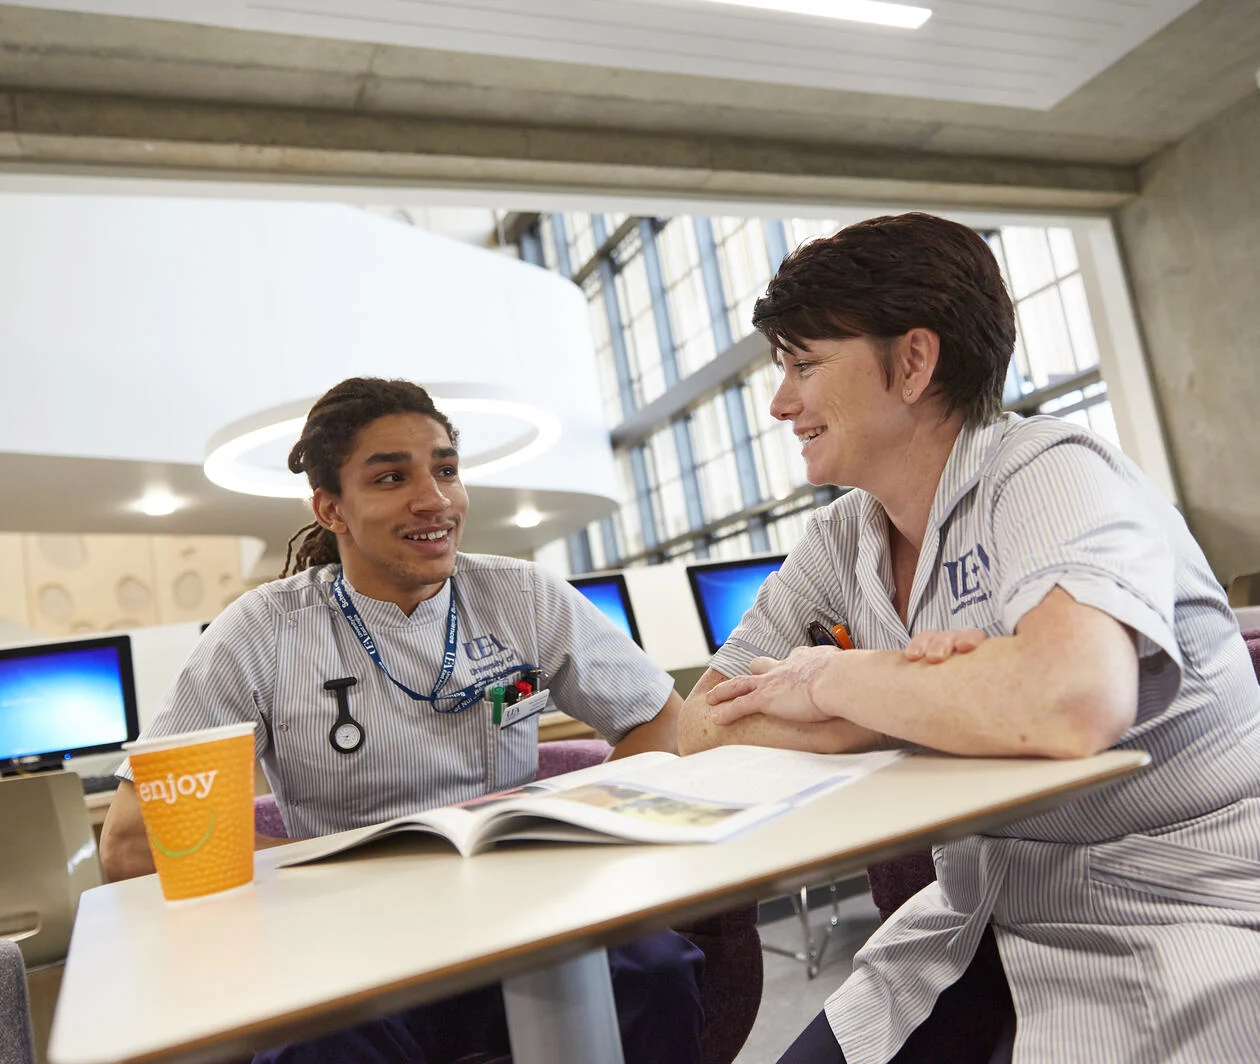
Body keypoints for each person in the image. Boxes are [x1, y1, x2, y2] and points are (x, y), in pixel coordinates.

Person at [679, 213, 1260, 1064]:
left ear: (913, 362)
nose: (781, 402)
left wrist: (838, 683)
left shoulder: (1050, 471)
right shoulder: (842, 538)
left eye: (804, 364)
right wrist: (918, 697)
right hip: (981, 907)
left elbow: (1067, 704)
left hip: (1179, 899)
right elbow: (701, 725)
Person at [101, 376, 703, 1064]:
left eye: (445, 469)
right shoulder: (261, 631)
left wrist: (579, 829)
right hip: (349, 938)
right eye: (391, 477)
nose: (435, 498)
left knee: (655, 972)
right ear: (332, 509)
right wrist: (335, 884)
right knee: (317, 1048)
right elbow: (133, 840)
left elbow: (664, 720)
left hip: (519, 908)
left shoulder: (521, 596)